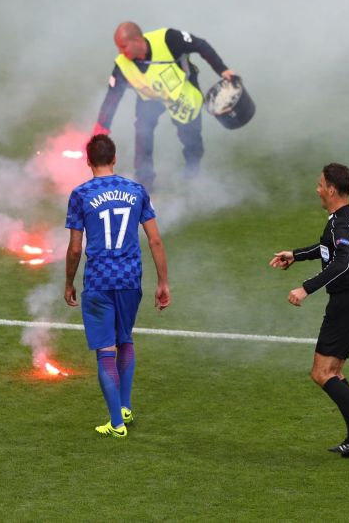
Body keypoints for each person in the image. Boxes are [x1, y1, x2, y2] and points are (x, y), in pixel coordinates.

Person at [268, 163, 349, 458]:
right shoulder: (347, 218)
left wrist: (306, 288)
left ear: (331, 189)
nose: (317, 190)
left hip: (347, 304)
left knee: (321, 373)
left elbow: (341, 261)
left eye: (320, 185)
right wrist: (295, 255)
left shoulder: (341, 223)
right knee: (333, 372)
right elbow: (327, 249)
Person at [64, 133, 171, 437]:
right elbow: (155, 239)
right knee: (124, 339)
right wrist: (163, 281)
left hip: (98, 281)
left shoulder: (81, 194)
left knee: (105, 350)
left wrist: (69, 282)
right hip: (129, 279)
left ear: (88, 160)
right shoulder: (136, 190)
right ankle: (125, 406)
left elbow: (74, 248)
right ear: (114, 159)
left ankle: (116, 423)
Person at [93, 22, 237, 191]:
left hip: (181, 94)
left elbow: (200, 45)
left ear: (138, 41)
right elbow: (113, 96)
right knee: (142, 133)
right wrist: (102, 127)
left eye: (124, 46)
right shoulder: (123, 65)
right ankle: (144, 181)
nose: (121, 52)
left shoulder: (168, 38)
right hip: (151, 98)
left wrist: (222, 69)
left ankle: (192, 170)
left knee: (190, 135)